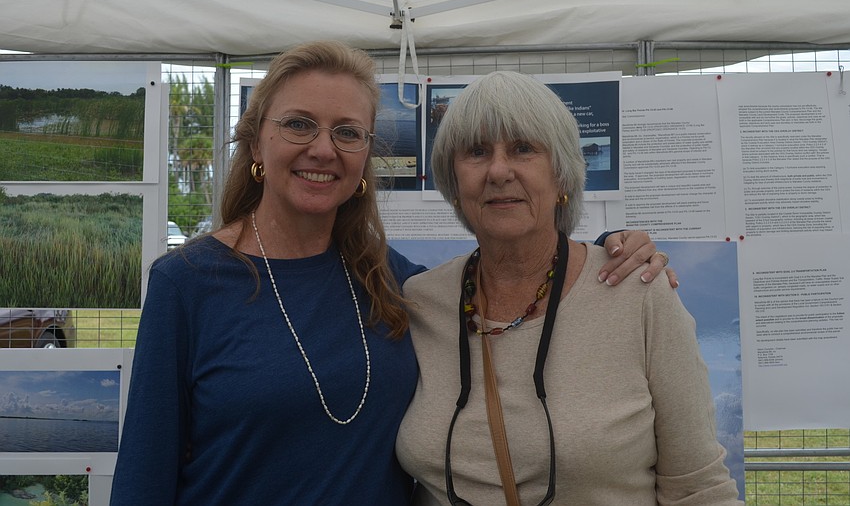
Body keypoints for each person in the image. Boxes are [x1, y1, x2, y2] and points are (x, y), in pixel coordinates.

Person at [110, 41, 672, 505]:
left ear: (364, 158)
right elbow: (143, 477)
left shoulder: (391, 281)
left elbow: (513, 278)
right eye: (299, 125)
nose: (323, 149)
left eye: (347, 132)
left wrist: (607, 252)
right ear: (257, 140)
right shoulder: (187, 282)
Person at [396, 71, 743, 505]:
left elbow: (699, 488)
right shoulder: (421, 301)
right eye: (477, 152)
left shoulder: (638, 293)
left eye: (523, 148)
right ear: (453, 182)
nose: (499, 170)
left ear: (561, 175)